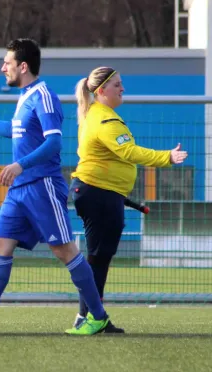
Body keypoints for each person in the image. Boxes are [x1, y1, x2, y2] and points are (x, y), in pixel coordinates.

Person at [0, 38, 116, 335]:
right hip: (19, 190)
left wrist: (20, 164)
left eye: (7, 63)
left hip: (42, 186)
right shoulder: (25, 96)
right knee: (0, 246)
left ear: (23, 66)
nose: (3, 68)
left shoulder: (44, 95)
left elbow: (54, 143)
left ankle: (98, 316)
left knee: (65, 251)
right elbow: (15, 132)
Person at [69, 66, 188, 331]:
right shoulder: (104, 120)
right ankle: (90, 318)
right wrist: (166, 157)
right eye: (117, 85)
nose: (123, 89)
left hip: (99, 193)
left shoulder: (95, 115)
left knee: (98, 258)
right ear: (101, 91)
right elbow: (129, 152)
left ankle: (86, 316)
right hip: (99, 194)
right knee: (98, 259)